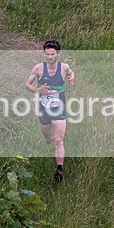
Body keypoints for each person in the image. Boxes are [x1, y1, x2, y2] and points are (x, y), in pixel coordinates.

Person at [25, 40, 75, 183]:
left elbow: (70, 73)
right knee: (49, 139)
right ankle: (49, 141)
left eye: (52, 54)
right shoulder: (38, 68)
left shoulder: (64, 67)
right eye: (47, 54)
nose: (50, 57)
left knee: (59, 140)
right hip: (43, 108)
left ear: (58, 54)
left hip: (59, 107)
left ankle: (59, 170)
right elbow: (27, 84)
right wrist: (38, 89)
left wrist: (71, 77)